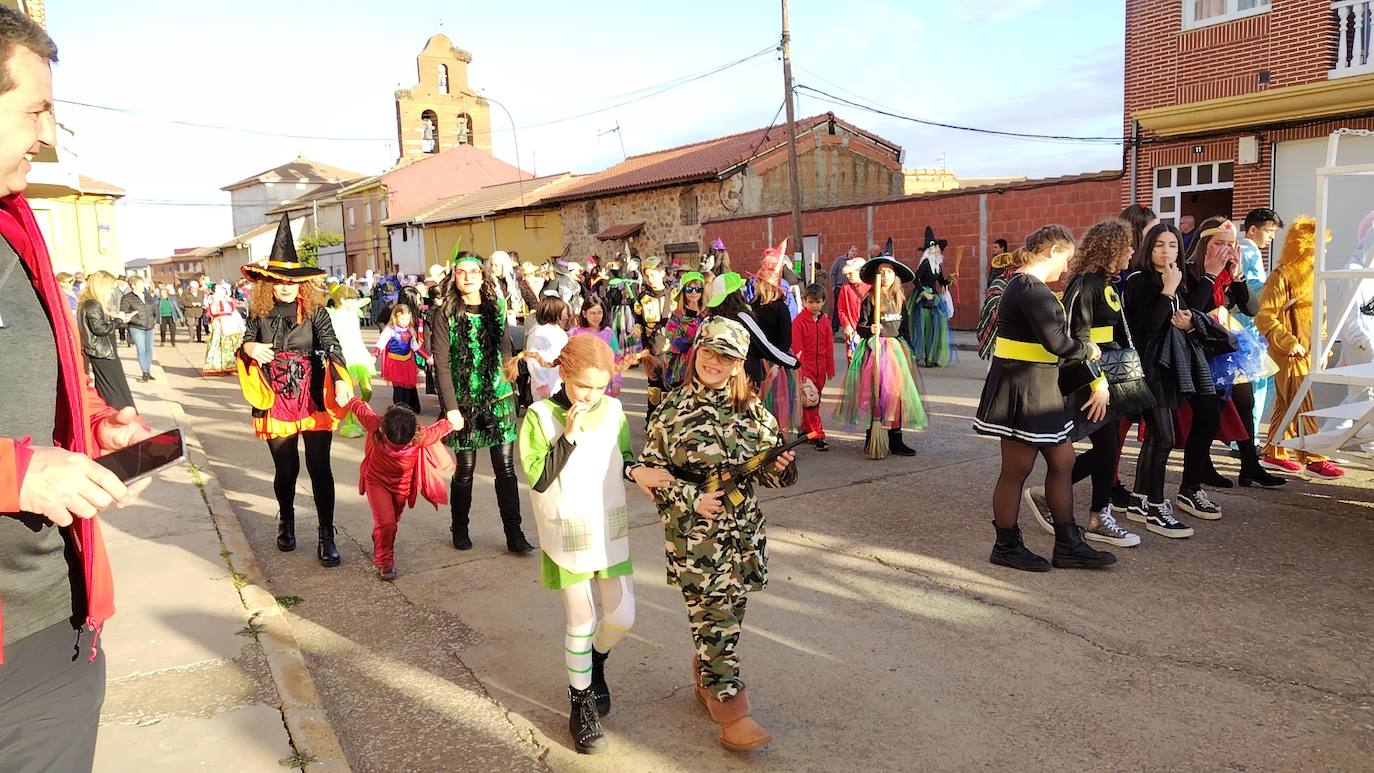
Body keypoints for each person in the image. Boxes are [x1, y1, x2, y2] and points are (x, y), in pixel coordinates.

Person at [0, 10, 154, 767]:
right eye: (33, 110)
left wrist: (94, 426)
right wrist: (14, 472)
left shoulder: (18, 227)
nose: (45, 135)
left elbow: (33, 384)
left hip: (48, 635)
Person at [637, 316, 798, 751]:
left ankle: (707, 673)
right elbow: (653, 476)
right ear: (696, 354)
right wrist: (692, 499)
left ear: (738, 363)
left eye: (726, 356)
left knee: (729, 618)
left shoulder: (753, 409)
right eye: (708, 352)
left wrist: (781, 469)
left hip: (744, 533)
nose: (714, 362)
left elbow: (773, 476)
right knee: (716, 619)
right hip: (694, 537)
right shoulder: (671, 410)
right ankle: (732, 711)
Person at [519, 335, 658, 754]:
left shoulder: (613, 409)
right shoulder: (539, 416)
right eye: (584, 386)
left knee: (623, 615)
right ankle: (579, 703)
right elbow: (539, 477)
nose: (593, 395)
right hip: (566, 530)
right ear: (563, 373)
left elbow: (624, 458)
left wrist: (640, 474)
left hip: (608, 525)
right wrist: (569, 434)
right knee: (581, 619)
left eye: (601, 386)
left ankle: (596, 660)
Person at [973, 225, 1116, 572]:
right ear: (1052, 251)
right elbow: (1057, 342)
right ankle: (1006, 545)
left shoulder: (1030, 287)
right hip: (1025, 390)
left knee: (1063, 461)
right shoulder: (1028, 287)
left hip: (1041, 388)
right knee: (1016, 470)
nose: (1066, 268)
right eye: (1065, 259)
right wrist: (1089, 350)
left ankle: (1067, 543)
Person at [238, 215, 354, 567]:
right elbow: (244, 343)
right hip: (276, 398)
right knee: (286, 469)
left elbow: (333, 345)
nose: (285, 287)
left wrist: (340, 379)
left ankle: (326, 535)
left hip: (312, 396)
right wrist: (248, 349)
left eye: (291, 282)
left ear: (301, 284)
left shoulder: (316, 310)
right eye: (278, 281)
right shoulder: (258, 313)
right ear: (268, 283)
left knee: (320, 467)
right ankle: (286, 521)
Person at [1025, 219, 1141, 547]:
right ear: (1111, 247)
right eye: (1127, 245)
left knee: (1109, 448)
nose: (1132, 251)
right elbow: (1079, 337)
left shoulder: (1108, 283)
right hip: (1092, 379)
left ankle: (1093, 511)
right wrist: (1097, 384)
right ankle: (1083, 509)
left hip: (1110, 376)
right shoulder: (1085, 284)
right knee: (1105, 448)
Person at [429, 249, 535, 553]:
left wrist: (510, 376)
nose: (467, 277)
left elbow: (504, 346)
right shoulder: (444, 313)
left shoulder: (495, 307)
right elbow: (442, 362)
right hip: (463, 402)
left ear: (482, 275)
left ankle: (514, 533)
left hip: (498, 397)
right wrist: (450, 408)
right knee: (465, 469)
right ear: (454, 277)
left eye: (473, 272)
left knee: (505, 468)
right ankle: (459, 528)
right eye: (461, 272)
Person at [1119, 223, 1208, 538]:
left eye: (1172, 245)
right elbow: (1147, 327)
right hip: (1148, 369)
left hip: (1169, 368)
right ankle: (1156, 508)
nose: (1166, 251)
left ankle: (1140, 499)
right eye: (1159, 245)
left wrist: (1187, 322)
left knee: (1158, 438)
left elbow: (1183, 318)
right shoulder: (1140, 281)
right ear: (1147, 249)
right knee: (1165, 438)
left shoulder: (1176, 279)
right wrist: (1167, 290)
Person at [1256, 216, 1345, 479]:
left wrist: (1324, 349)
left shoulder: (1316, 277)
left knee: (1287, 402)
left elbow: (1322, 317)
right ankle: (1315, 458)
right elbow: (1265, 316)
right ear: (1307, 245)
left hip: (1307, 352)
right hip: (1288, 352)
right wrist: (1289, 342)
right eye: (1322, 245)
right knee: (1301, 402)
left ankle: (1274, 451)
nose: (1325, 250)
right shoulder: (1280, 275)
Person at [348, 399, 455, 580]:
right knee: (387, 523)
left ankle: (380, 537)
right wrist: (349, 397)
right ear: (383, 429)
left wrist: (451, 422)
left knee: (391, 522)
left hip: (401, 486)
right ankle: (385, 562)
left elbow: (438, 431)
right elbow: (359, 409)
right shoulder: (376, 425)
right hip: (376, 483)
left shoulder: (419, 436)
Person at [834, 255, 927, 456]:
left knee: (896, 395)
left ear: (896, 276)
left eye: (890, 272)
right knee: (876, 394)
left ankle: (896, 438)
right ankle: (872, 436)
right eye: (882, 272)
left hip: (896, 351)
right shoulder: (870, 298)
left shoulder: (900, 299)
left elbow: (905, 327)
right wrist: (870, 329)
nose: (885, 275)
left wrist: (910, 350)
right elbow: (861, 326)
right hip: (876, 350)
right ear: (876, 276)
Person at [1237, 208, 1283, 435]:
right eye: (1269, 231)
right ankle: (1247, 436)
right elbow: (1255, 289)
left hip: (1243, 323)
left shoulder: (1243, 249)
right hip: (1249, 325)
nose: (1272, 236)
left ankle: (1243, 435)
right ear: (1253, 229)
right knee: (1258, 382)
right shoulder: (1249, 251)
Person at [751, 245, 801, 436]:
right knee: (759, 400)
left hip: (777, 359)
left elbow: (786, 340)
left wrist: (776, 364)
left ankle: (779, 439)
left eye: (760, 282)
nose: (756, 284)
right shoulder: (753, 306)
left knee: (778, 403)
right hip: (757, 359)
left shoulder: (781, 308)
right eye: (757, 281)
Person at [77, 270, 136, 410]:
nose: (112, 291)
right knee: (114, 386)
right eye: (110, 287)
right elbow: (100, 329)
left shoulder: (89, 303)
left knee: (112, 385)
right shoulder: (92, 304)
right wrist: (118, 320)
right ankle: (120, 412)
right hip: (102, 352)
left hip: (101, 351)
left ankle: (121, 411)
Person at [792, 284, 835, 451]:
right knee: (811, 400)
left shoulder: (825, 321)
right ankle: (817, 433)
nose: (814, 305)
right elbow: (797, 348)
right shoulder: (799, 322)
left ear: (823, 302)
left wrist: (829, 367)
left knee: (813, 401)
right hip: (807, 366)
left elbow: (829, 345)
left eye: (818, 302)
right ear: (804, 302)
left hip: (821, 366)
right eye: (811, 302)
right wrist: (800, 370)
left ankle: (805, 430)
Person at [904, 228, 954, 368]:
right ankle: (924, 356)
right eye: (937, 247)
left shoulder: (937, 265)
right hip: (924, 298)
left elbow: (941, 281)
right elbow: (915, 278)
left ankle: (932, 356)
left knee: (935, 327)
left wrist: (950, 279)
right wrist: (923, 292)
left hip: (934, 297)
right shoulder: (926, 263)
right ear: (931, 249)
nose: (939, 250)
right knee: (925, 327)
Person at [634, 256, 672, 416]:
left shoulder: (674, 295)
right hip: (652, 348)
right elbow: (639, 320)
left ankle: (668, 419)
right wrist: (637, 331)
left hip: (671, 349)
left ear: (662, 273)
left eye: (654, 275)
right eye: (647, 276)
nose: (650, 279)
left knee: (670, 385)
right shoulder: (642, 298)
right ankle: (652, 419)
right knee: (654, 386)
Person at [570, 293, 624, 397]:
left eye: (599, 312)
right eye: (592, 313)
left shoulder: (608, 333)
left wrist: (616, 381)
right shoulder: (576, 333)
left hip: (604, 381)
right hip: (583, 381)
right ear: (584, 314)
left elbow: (616, 358)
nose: (596, 316)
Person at [659, 271, 706, 393]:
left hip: (703, 364)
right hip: (681, 368)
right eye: (689, 289)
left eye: (698, 288)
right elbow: (676, 341)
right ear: (683, 292)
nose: (694, 292)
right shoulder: (677, 315)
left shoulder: (707, 312)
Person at [374, 304, 425, 413]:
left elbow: (415, 347)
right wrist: (374, 356)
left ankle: (405, 411)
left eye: (407, 319)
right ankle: (397, 411)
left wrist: (427, 357)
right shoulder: (389, 331)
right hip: (394, 364)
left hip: (407, 363)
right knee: (398, 390)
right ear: (395, 317)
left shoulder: (409, 331)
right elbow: (380, 344)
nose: (405, 321)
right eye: (402, 319)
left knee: (406, 389)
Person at [524, 296, 571, 402]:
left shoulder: (560, 332)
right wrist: (542, 384)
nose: (566, 314)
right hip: (546, 385)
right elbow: (533, 360)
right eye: (563, 310)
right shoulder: (538, 333)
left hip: (560, 381)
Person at [120, 274, 157, 381]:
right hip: (137, 327)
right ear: (133, 285)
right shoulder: (127, 298)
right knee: (141, 349)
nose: (143, 285)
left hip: (150, 326)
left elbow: (154, 308)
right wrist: (137, 321)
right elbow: (125, 313)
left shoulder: (147, 295)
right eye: (140, 284)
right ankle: (144, 372)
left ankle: (148, 370)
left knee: (149, 349)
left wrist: (155, 320)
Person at [202, 282, 244, 376]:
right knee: (217, 344)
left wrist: (240, 326)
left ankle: (230, 365)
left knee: (231, 345)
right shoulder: (214, 299)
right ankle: (217, 366)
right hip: (219, 324)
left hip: (230, 324)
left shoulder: (229, 300)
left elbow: (234, 313)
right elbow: (212, 311)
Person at [835, 256, 868, 364]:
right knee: (852, 358)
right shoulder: (845, 288)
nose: (848, 276)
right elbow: (841, 309)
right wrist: (847, 325)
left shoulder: (870, 287)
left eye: (851, 273)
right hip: (852, 330)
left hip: (867, 329)